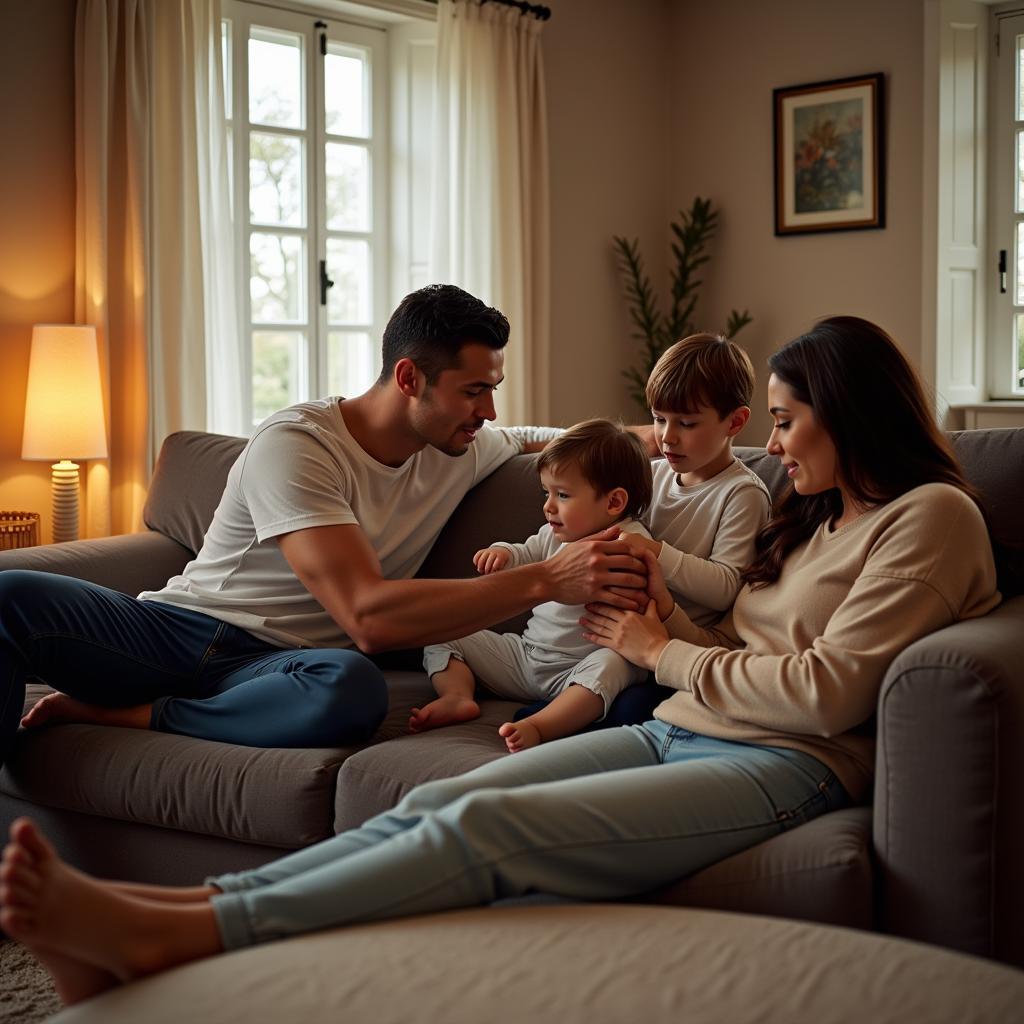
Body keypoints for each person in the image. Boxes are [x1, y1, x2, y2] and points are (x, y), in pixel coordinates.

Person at [0, 316, 1000, 1007]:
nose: (771, 446)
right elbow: (746, 629)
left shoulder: (931, 518)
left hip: (785, 762)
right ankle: (161, 908)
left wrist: (661, 651)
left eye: (782, 421)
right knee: (431, 804)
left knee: (490, 822)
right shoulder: (820, 515)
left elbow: (828, 689)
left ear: (851, 411)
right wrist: (666, 622)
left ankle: (178, 941)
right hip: (680, 727)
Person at [0, 284, 650, 762]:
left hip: (280, 670)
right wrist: (544, 579)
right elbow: (368, 616)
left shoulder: (462, 443)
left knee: (350, 690)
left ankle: (132, 717)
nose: (488, 409)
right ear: (408, 377)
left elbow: (547, 439)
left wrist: (658, 438)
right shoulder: (299, 444)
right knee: (10, 595)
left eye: (493, 388)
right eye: (474, 390)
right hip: (177, 630)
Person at [505, 331, 772, 730]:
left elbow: (726, 587)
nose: (667, 436)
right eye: (659, 419)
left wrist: (656, 551)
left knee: (635, 707)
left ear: (735, 421)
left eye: (687, 423)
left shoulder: (742, 494)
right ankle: (561, 711)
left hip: (672, 648)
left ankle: (561, 722)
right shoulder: (654, 472)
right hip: (607, 636)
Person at [413, 418, 656, 752]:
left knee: (616, 664)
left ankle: (540, 725)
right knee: (443, 629)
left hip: (581, 666)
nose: (548, 506)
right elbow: (524, 553)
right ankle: (457, 695)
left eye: (563, 495)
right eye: (547, 492)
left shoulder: (631, 543)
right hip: (526, 658)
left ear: (614, 503)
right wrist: (501, 553)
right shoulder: (552, 534)